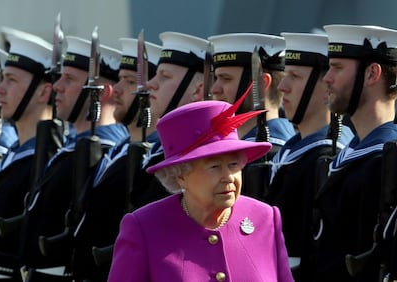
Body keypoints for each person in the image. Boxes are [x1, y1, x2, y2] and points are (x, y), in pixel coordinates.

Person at [108, 95, 294, 281]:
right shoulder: (144, 228)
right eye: (214, 167)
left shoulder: (266, 219)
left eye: (234, 165)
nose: (228, 177)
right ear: (180, 176)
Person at [18, 34, 128, 281]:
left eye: (69, 79)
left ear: (103, 93)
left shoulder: (104, 151)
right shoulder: (69, 147)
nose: (57, 85)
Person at [314, 24, 397, 281]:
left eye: (337, 68)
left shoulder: (384, 162)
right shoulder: (357, 153)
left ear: (371, 74)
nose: (327, 78)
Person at [70, 36, 161, 281]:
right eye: (120, 79)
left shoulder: (155, 154)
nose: (117, 89)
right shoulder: (119, 149)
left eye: (130, 81)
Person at [263, 32, 353, 282]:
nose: (282, 86)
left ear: (327, 87)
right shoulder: (293, 152)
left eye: (295, 76)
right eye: (286, 74)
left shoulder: (325, 157)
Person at [208, 33, 296, 200]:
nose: (214, 89)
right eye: (216, 79)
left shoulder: (275, 153)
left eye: (226, 79)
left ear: (261, 84)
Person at [0, 32, 54, 281]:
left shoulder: (45, 161)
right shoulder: (13, 153)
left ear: (43, 92)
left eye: (11, 80)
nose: (0, 89)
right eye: (2, 79)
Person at [132, 31, 209, 209]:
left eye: (165, 76)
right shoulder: (162, 148)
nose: (150, 83)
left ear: (198, 91)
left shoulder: (199, 154)